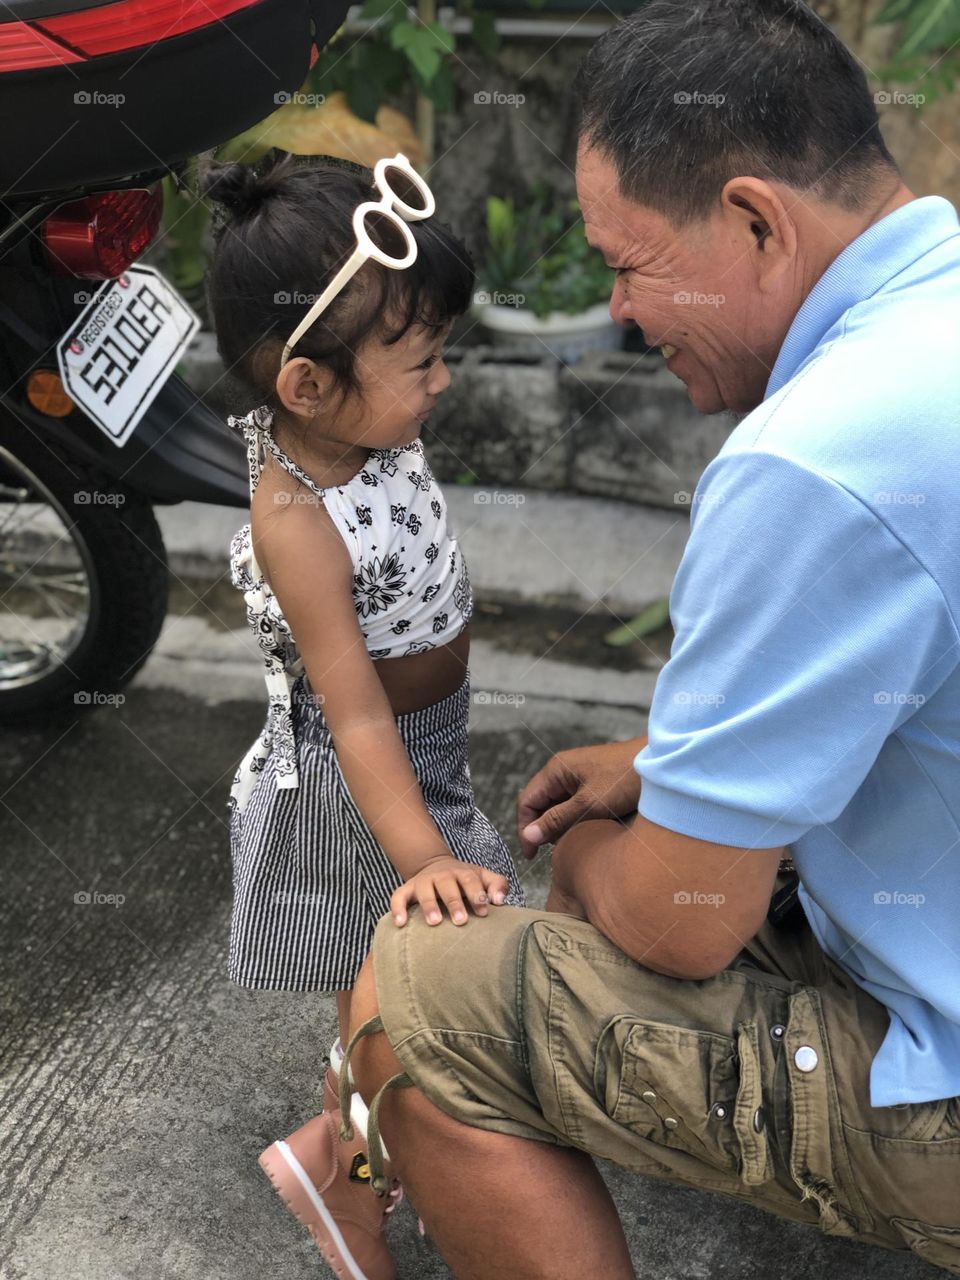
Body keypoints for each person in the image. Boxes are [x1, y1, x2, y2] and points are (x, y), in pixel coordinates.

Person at [332, 3, 960, 1277]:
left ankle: (371, 1137)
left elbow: (681, 921)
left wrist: (616, 845)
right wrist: (669, 764)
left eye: (629, 263)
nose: (619, 310)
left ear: (754, 220)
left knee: (414, 989)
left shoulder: (813, 459)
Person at [204, 152, 525, 1280]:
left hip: (418, 745)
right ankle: (346, 1180)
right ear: (307, 388)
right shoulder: (299, 519)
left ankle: (367, 1155)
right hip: (357, 774)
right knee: (392, 987)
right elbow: (351, 715)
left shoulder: (363, 423)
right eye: (424, 356)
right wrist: (421, 853)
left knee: (390, 993)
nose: (442, 378)